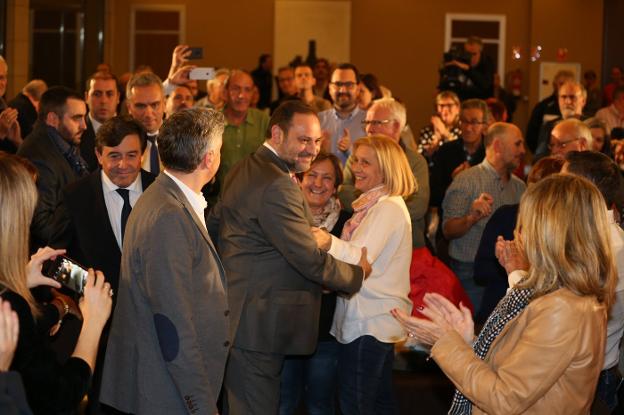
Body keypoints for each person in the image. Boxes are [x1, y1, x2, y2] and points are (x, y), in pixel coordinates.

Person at [393, 173, 616, 415]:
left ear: (551, 232)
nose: (520, 233)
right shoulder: (560, 293)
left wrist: (445, 342)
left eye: (527, 223)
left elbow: (504, 398)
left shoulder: (563, 307)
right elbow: (515, 367)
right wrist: (466, 342)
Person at [209, 100, 366, 415]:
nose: (312, 149)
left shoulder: (247, 166)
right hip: (258, 323)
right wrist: (356, 273)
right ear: (277, 134)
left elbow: (216, 225)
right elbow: (307, 257)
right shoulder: (276, 183)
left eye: (317, 141)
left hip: (242, 315)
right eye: (304, 140)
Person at [101, 108, 229, 414]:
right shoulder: (168, 216)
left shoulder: (167, 198)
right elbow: (174, 324)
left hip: (167, 385)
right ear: (209, 158)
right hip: (165, 393)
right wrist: (201, 405)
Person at [0, 154, 113, 415]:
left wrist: (19, 283)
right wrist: (94, 323)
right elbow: (60, 399)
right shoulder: (10, 305)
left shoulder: (12, 299)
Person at [313, 135, 415, 414]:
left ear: (386, 169)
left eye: (365, 162)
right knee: (379, 403)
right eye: (356, 160)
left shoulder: (388, 207)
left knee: (355, 406)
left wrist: (325, 241)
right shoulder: (372, 207)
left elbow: (360, 257)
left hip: (370, 321)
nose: (356, 167)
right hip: (370, 321)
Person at [279, 152, 350, 415]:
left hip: (326, 331)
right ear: (299, 179)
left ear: (336, 186)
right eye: (312, 175)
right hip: (287, 329)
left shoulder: (348, 223)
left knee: (320, 405)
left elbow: (352, 272)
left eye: (327, 178)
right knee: (283, 404)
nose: (318, 184)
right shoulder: (285, 218)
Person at [562, 151, 624, 413]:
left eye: (563, 181)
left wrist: (516, 272)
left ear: (583, 188)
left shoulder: (607, 246)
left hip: (591, 376)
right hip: (583, 370)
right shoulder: (590, 234)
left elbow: (563, 316)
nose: (557, 189)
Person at [442, 123, 526, 314]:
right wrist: (471, 217)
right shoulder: (467, 180)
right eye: (517, 144)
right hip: (469, 275)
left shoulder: (520, 187)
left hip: (509, 274)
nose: (522, 150)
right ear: (497, 146)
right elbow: (447, 230)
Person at [16, 86, 89, 250]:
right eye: (77, 118)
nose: (84, 125)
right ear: (52, 119)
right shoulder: (39, 155)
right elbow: (41, 224)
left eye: (84, 117)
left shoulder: (62, 145)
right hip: (49, 260)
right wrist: (82, 237)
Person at [318, 63, 367, 165]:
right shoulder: (318, 121)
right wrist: (318, 150)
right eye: (338, 84)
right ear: (330, 88)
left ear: (358, 89)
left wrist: (351, 150)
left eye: (349, 85)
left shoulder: (368, 122)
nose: (343, 90)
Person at [125, 71, 165, 174]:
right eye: (140, 106)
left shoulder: (180, 140)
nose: (148, 113)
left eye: (155, 105)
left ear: (164, 104)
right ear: (129, 107)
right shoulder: (120, 144)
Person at [80, 72, 121, 172]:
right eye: (97, 94)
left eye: (109, 94)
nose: (103, 100)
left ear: (118, 97)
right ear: (86, 97)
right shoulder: (75, 133)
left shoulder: (130, 131)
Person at [417, 90, 462, 162]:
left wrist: (445, 133)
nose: (445, 110)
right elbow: (420, 158)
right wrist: (436, 141)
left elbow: (461, 153)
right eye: (441, 106)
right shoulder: (427, 131)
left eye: (449, 105)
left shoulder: (463, 129)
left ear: (457, 109)